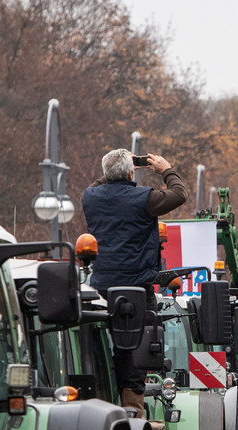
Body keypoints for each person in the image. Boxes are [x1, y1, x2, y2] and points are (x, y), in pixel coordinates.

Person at [82, 149, 187, 412]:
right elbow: (179, 194)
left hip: (100, 286)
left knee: (100, 345)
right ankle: (133, 412)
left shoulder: (91, 197)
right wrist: (166, 169)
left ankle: (100, 403)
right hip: (135, 287)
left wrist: (114, 171)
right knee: (134, 351)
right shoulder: (145, 199)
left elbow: (98, 184)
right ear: (132, 173)